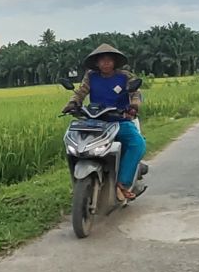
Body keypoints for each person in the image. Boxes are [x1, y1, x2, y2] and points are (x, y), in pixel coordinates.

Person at [61, 43, 147, 200]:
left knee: (137, 143)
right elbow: (80, 92)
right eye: (102, 60)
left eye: (109, 60)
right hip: (94, 121)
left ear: (114, 62)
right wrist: (73, 103)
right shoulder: (91, 76)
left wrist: (133, 107)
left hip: (119, 120)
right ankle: (78, 182)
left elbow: (136, 94)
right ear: (97, 63)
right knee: (75, 143)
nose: (105, 63)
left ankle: (122, 183)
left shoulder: (125, 76)